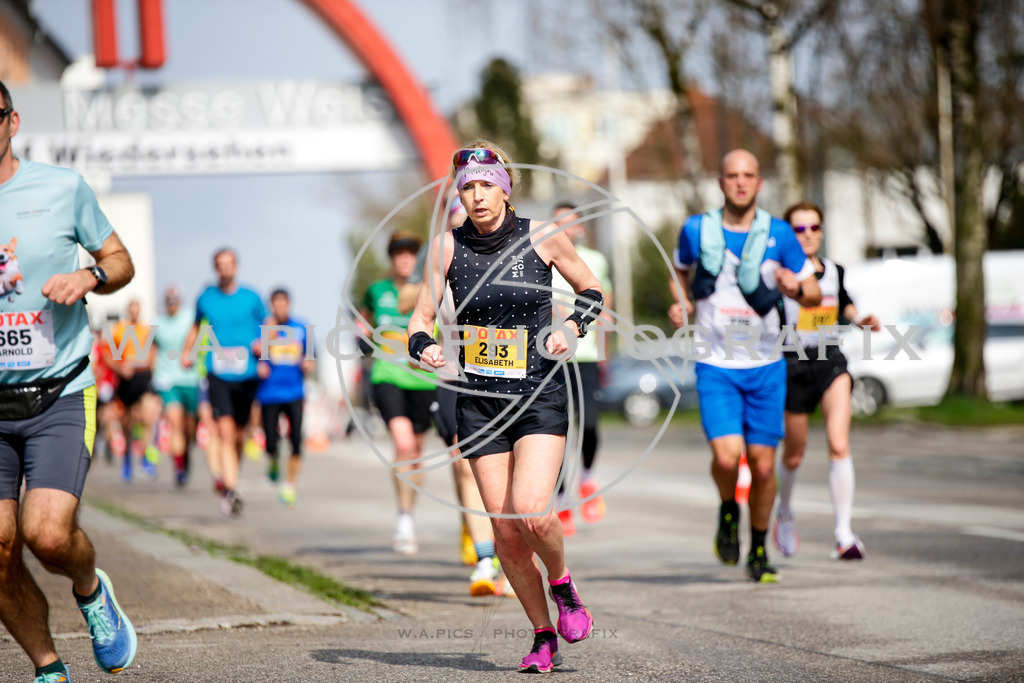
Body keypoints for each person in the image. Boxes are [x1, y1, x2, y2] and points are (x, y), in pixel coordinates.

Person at [408, 141, 603, 672]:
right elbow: (420, 317)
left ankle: (562, 584)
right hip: (480, 403)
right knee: (505, 531)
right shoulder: (446, 248)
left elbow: (591, 290)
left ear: (505, 188)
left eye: (486, 186)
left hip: (539, 394)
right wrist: (422, 344)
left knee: (533, 510)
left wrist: (570, 325)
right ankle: (543, 634)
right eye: (467, 187)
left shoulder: (541, 236)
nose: (476, 196)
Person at [0, 80, 138, 683]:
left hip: (59, 389)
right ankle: (48, 668)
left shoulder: (60, 188)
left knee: (46, 534)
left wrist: (88, 278)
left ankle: (89, 588)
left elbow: (120, 261)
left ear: (12, 121)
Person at [668, 149, 821, 583]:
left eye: (748, 175)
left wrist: (796, 288)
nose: (740, 182)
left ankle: (758, 548)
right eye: (732, 175)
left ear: (759, 183)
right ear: (720, 182)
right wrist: (679, 303)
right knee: (727, 455)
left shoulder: (781, 234)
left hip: (766, 364)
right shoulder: (696, 229)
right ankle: (727, 508)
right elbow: (678, 275)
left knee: (765, 465)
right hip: (715, 362)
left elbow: (812, 293)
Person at [399, 200, 504, 596]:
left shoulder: (506, 248)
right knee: (465, 465)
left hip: (505, 373)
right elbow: (411, 304)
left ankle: (510, 558)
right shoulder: (440, 250)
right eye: (456, 214)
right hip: (453, 374)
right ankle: (484, 559)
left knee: (506, 472)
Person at [774, 200, 880, 560]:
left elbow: (845, 305)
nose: (808, 235)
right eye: (799, 229)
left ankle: (843, 534)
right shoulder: (779, 274)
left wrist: (861, 318)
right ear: (788, 234)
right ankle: (784, 513)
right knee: (794, 454)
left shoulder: (834, 270)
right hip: (792, 364)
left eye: (814, 227)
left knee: (838, 443)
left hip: (829, 360)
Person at [361, 232, 437, 555]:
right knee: (404, 445)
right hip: (387, 375)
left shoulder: (430, 288)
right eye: (398, 254)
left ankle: (408, 513)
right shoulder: (376, 291)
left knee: (416, 452)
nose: (404, 259)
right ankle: (404, 521)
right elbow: (363, 323)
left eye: (410, 253)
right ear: (391, 258)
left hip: (422, 380)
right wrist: (361, 337)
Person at [182, 248, 266, 517]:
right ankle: (231, 488)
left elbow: (269, 327)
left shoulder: (252, 297)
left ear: (237, 267)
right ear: (215, 268)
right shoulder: (205, 298)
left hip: (248, 373)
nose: (225, 269)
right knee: (226, 431)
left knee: (240, 434)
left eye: (229, 264)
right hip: (217, 372)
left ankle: (232, 478)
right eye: (220, 265)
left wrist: (262, 345)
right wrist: (188, 351)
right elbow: (196, 327)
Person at [550, 202, 614, 536]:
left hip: (587, 357)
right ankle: (560, 501)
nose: (566, 229)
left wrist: (605, 349)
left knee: (588, 425)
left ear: (581, 228)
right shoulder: (542, 255)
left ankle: (587, 478)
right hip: (552, 359)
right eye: (558, 223)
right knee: (556, 432)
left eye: (571, 224)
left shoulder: (596, 260)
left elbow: (605, 302)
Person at [256, 288, 313, 508]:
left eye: (284, 304)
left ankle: (289, 485)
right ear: (271, 306)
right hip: (269, 393)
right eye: (276, 305)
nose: (280, 308)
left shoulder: (301, 328)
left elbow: (311, 356)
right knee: (271, 442)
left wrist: (308, 363)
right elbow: (254, 352)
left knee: (296, 440)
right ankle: (272, 461)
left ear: (289, 304)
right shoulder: (264, 328)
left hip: (294, 392)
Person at [151, 283, 200, 487]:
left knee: (189, 427)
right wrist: (154, 374)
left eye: (175, 300)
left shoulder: (190, 318)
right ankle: (179, 468)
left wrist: (193, 353)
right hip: (167, 380)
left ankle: (185, 454)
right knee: (175, 423)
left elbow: (201, 337)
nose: (172, 304)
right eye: (169, 300)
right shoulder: (157, 323)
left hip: (190, 379)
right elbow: (151, 350)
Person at [110, 300, 159, 480]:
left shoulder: (146, 329)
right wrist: (120, 368)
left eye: (137, 310)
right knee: (126, 421)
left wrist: (151, 364)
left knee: (148, 416)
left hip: (143, 376)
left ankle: (145, 456)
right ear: (128, 311)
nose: (134, 313)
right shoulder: (119, 329)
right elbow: (108, 354)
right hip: (126, 379)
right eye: (132, 310)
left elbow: (153, 351)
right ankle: (127, 457)